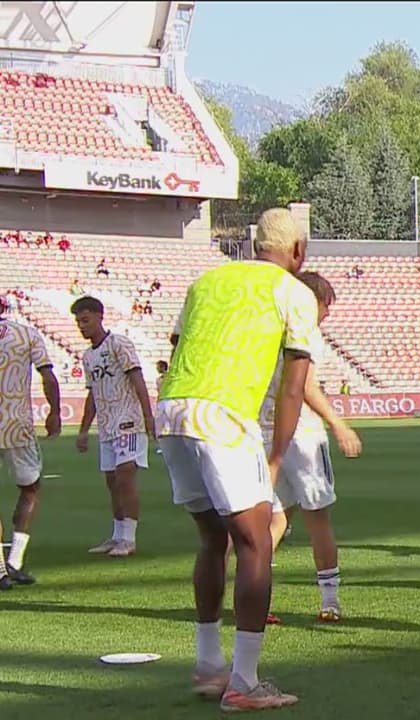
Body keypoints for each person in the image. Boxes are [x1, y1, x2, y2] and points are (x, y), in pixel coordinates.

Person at [158, 207, 317, 711]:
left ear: (254, 246)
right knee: (255, 542)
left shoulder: (206, 281)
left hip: (173, 409)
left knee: (212, 539)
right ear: (297, 252)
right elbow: (293, 387)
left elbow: (178, 349)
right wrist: (276, 457)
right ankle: (243, 682)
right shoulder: (294, 291)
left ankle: (209, 665)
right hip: (224, 416)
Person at [261, 270, 362, 623]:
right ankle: (330, 602)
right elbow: (304, 386)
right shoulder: (305, 332)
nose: (327, 313)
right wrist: (338, 424)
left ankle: (258, 601)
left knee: (274, 522)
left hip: (266, 433)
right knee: (317, 519)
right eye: (326, 304)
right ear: (311, 301)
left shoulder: (266, 331)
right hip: (302, 434)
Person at [71, 295, 156, 558]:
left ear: (99, 316)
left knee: (125, 477)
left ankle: (129, 539)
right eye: (78, 322)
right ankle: (117, 535)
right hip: (107, 426)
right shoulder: (88, 356)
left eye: (86, 320)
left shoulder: (119, 343)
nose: (82, 326)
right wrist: (83, 430)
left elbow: (137, 378)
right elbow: (92, 394)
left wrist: (148, 415)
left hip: (128, 420)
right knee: (112, 481)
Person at [0, 298, 60, 588]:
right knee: (30, 488)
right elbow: (47, 375)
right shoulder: (26, 334)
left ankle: (1, 570)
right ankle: (14, 560)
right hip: (17, 424)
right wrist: (55, 411)